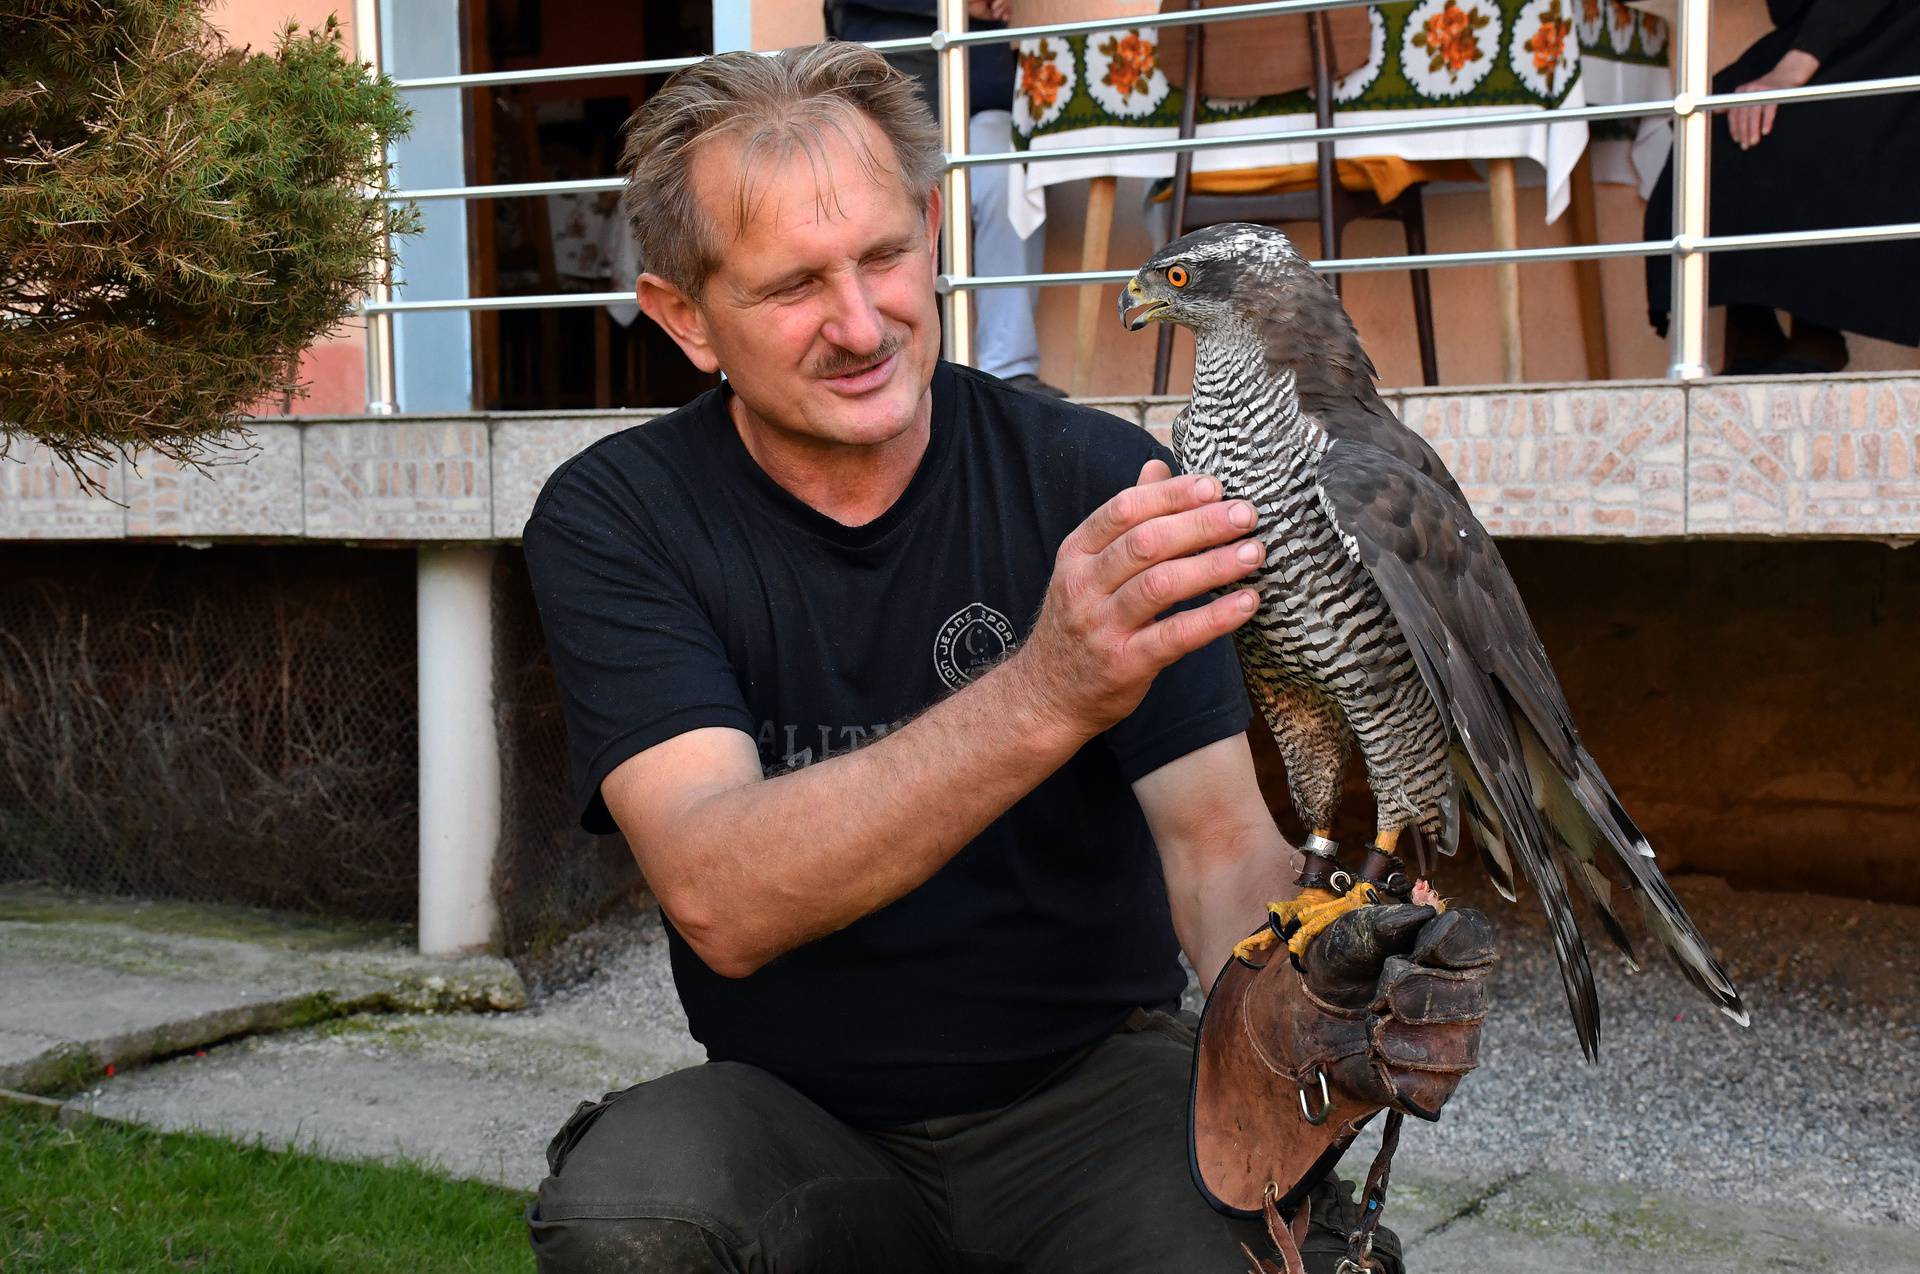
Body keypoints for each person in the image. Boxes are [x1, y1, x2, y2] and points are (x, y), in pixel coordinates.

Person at [519, 42, 1465, 1272]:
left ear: (930, 229)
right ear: (685, 319)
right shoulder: (618, 517)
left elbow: (1219, 848)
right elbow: (723, 895)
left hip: (1098, 1093)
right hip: (800, 1118)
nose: (860, 324)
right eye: (793, 285)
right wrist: (1049, 683)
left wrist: (1329, 983)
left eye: (882, 256)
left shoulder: (1093, 478)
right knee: (633, 1216)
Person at [1645, 0, 1920, 373]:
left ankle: (1817, 332)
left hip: (1898, 32)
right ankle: (1753, 329)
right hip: (1828, 31)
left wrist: (1795, 66)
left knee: (1805, 127)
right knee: (1709, 127)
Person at [823, 0, 1065, 396]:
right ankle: (898, 369)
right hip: (885, 96)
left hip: (988, 97)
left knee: (1008, 168)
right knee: (880, 209)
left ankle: (1010, 372)